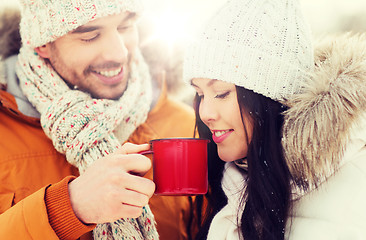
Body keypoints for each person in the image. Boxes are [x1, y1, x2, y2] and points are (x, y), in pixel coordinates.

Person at [0, 0, 197, 239]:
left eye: (125, 27)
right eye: (90, 36)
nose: (119, 53)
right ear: (43, 44)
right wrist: (68, 208)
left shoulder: (185, 125)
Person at [183, 0, 366, 239]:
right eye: (200, 94)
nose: (205, 112)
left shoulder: (351, 195)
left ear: (268, 96)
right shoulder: (234, 176)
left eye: (221, 93)